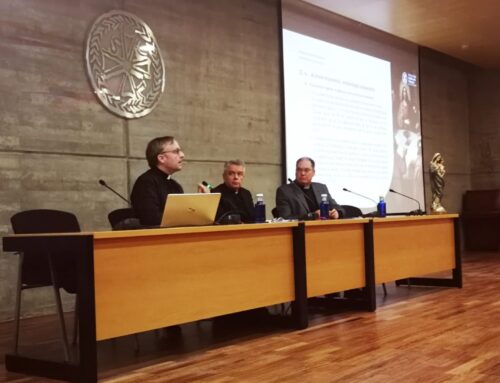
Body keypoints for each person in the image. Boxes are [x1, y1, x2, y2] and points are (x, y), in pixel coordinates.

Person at [130, 136, 185, 226]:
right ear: (161, 158)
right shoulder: (146, 182)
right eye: (176, 152)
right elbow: (151, 220)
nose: (182, 155)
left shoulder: (175, 186)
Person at [275, 157, 345, 220]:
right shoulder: (284, 191)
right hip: (301, 230)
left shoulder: (321, 188)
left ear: (313, 172)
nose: (302, 173)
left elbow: (337, 207)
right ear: (295, 171)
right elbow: (284, 218)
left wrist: (337, 213)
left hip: (325, 229)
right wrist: (313, 216)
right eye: (299, 170)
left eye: (306, 170)